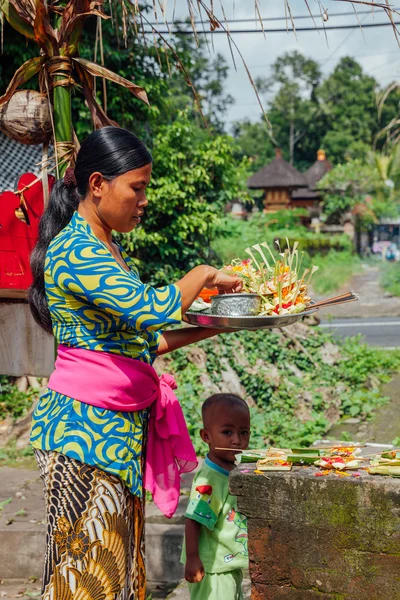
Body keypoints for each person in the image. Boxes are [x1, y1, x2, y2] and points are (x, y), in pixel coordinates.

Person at [28, 126, 243, 600]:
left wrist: (219, 325)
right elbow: (151, 308)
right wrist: (205, 273)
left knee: (115, 576)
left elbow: (144, 343)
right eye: (137, 187)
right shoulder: (77, 251)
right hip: (83, 437)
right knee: (84, 580)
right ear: (98, 184)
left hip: (115, 437)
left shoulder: (109, 249)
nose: (144, 200)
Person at [183, 393, 251, 600]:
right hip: (212, 568)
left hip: (227, 563)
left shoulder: (230, 470)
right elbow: (193, 519)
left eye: (244, 432)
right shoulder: (209, 478)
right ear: (206, 436)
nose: (237, 440)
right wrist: (193, 557)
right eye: (227, 432)